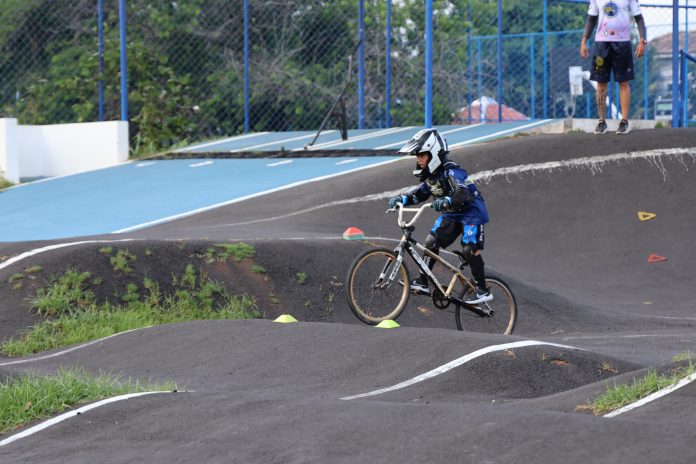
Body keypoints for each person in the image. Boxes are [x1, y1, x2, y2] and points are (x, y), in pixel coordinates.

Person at [388, 128, 492, 304]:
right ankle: (423, 281)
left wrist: (447, 200)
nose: (418, 159)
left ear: (434, 153)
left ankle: (482, 290)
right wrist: (402, 199)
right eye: (416, 156)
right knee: (430, 243)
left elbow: (463, 193)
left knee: (468, 249)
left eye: (421, 155)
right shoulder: (431, 176)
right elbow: (420, 194)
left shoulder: (451, 171)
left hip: (471, 214)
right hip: (452, 215)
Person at [580, 0, 647, 135]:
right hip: (601, 44)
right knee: (601, 82)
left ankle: (624, 121)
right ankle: (601, 121)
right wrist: (584, 40)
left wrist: (642, 41)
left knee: (623, 82)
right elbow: (592, 18)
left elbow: (639, 18)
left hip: (622, 43)